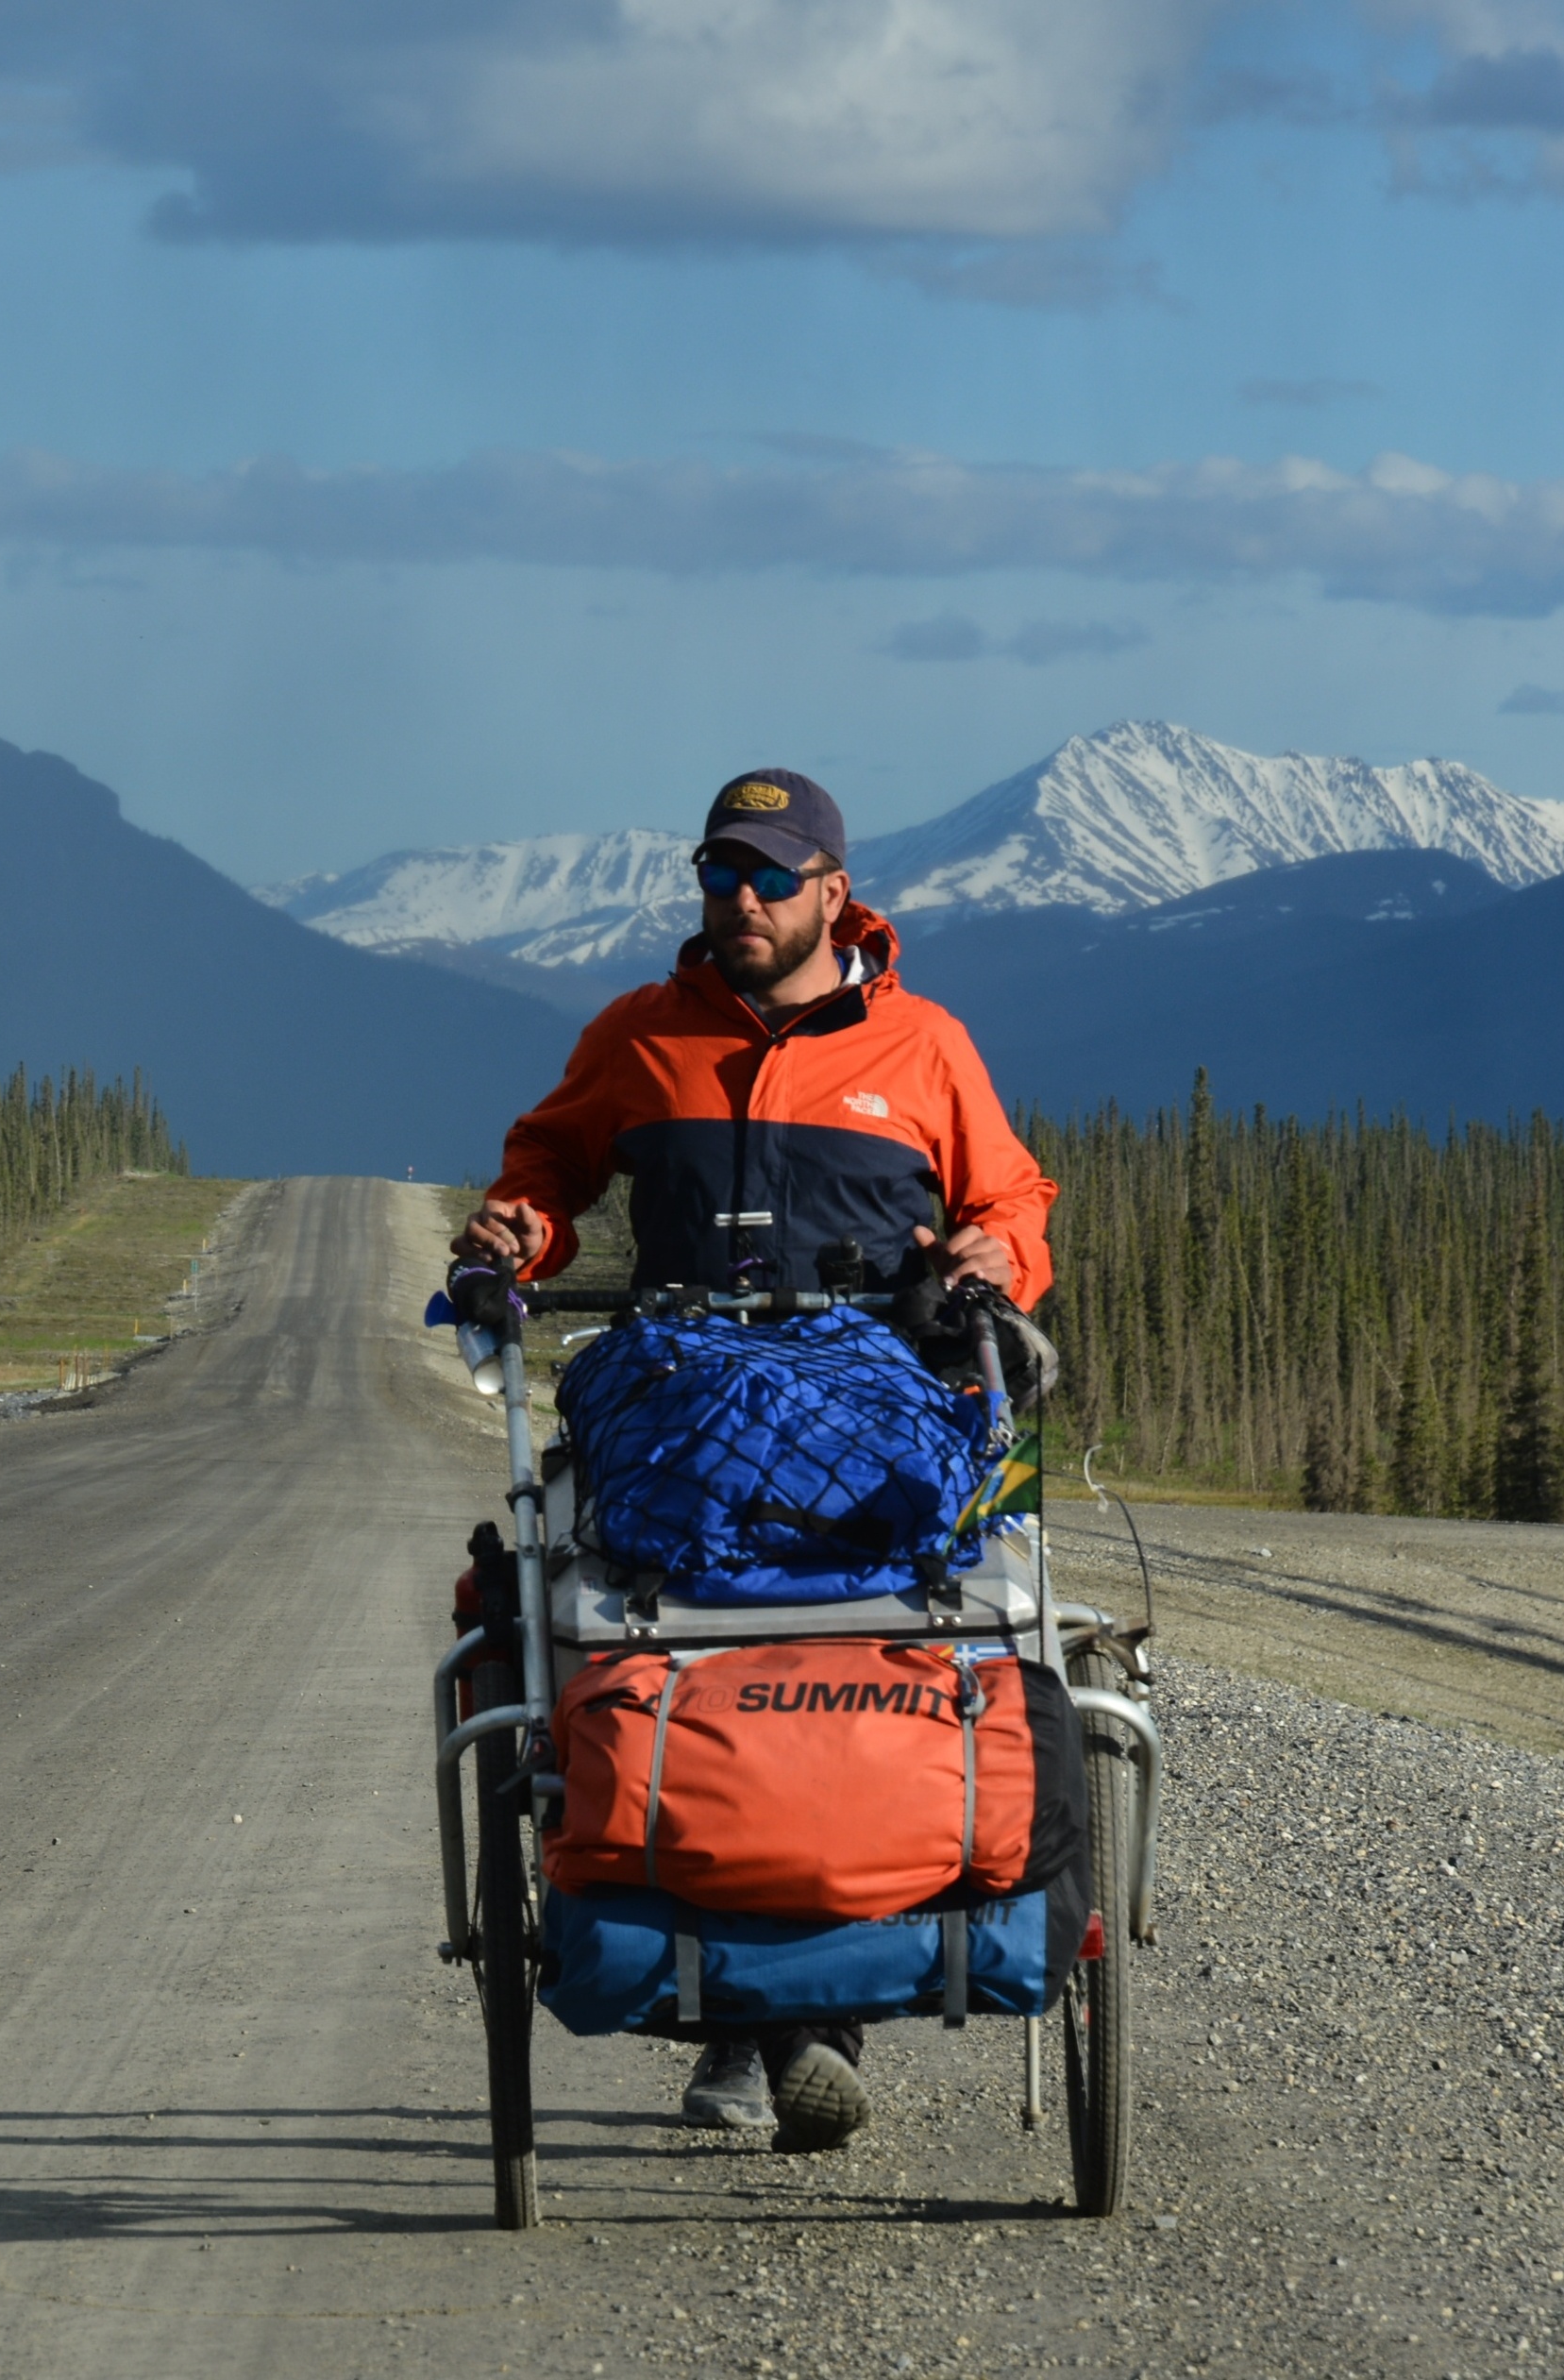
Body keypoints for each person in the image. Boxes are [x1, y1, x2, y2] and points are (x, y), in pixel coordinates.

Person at [454, 768, 1057, 2152]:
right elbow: (548, 1167)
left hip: (872, 1420)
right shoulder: (641, 1036)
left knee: (850, 1666)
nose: (738, 898)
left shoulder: (924, 1048)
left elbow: (1011, 1194)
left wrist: (990, 1255)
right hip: (684, 1429)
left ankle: (790, 2019)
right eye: (720, 873)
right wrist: (510, 1236)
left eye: (770, 878)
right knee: (694, 1665)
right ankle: (760, 2017)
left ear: (834, 895)